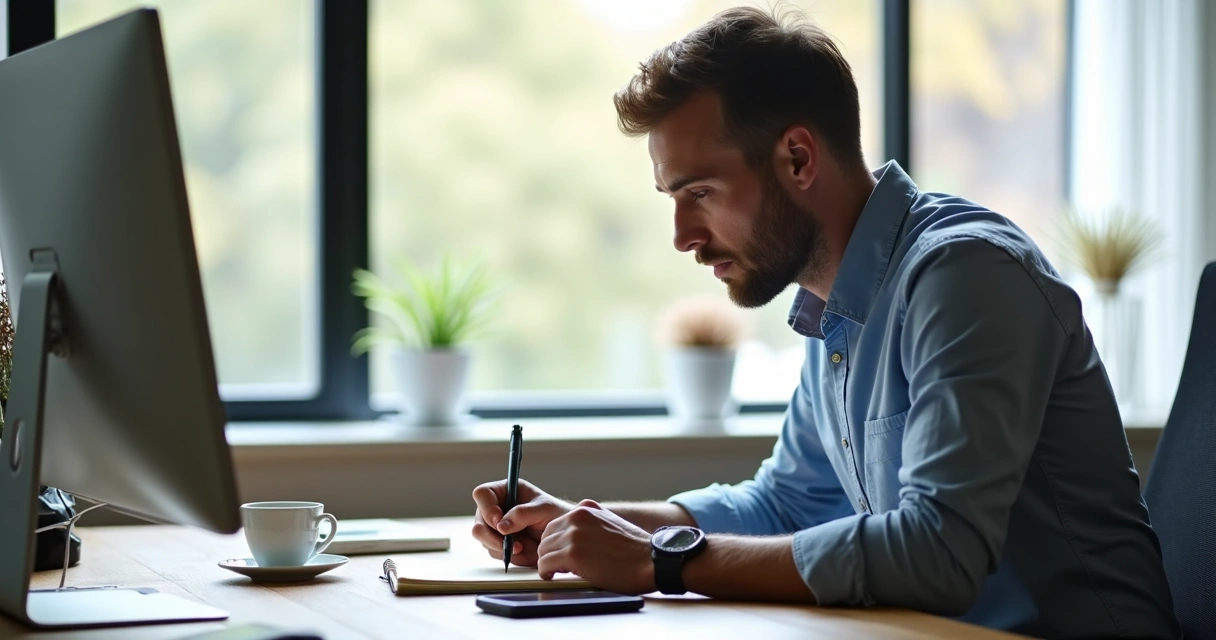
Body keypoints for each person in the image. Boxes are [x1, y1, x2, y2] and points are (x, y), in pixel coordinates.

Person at [471, 6, 1179, 638]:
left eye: (701, 193)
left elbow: (939, 554)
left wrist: (658, 562)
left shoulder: (966, 277)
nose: (683, 236)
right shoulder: (835, 302)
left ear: (798, 157)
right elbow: (786, 504)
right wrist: (598, 529)